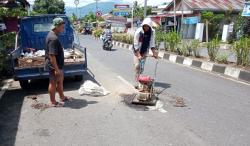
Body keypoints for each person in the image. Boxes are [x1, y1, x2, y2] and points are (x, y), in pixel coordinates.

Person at [45, 17, 71, 107]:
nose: (63, 29)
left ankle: (62, 97)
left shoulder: (52, 35)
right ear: (57, 26)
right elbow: (52, 56)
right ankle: (52, 102)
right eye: (62, 27)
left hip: (58, 65)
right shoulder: (53, 38)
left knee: (60, 81)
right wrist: (56, 69)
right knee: (53, 83)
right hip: (54, 66)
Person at [133, 18, 158, 89]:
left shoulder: (152, 32)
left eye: (147, 26)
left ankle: (139, 79)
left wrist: (154, 53)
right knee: (137, 65)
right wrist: (138, 55)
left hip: (144, 51)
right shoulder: (138, 32)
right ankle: (136, 81)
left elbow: (152, 43)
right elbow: (135, 44)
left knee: (141, 67)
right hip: (136, 50)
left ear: (150, 26)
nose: (146, 28)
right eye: (145, 26)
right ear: (143, 26)